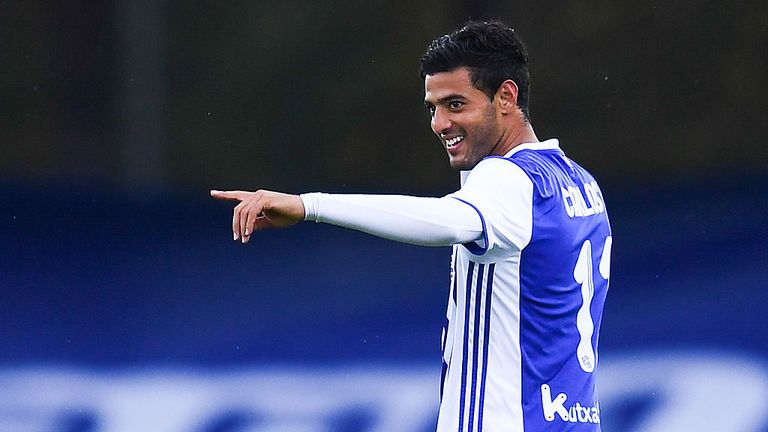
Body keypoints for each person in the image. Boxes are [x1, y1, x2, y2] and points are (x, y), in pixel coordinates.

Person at [211, 20, 611, 432]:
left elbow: (445, 220)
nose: (439, 123)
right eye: (432, 108)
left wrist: (309, 205)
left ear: (506, 97)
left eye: (456, 104)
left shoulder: (510, 180)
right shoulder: (581, 184)